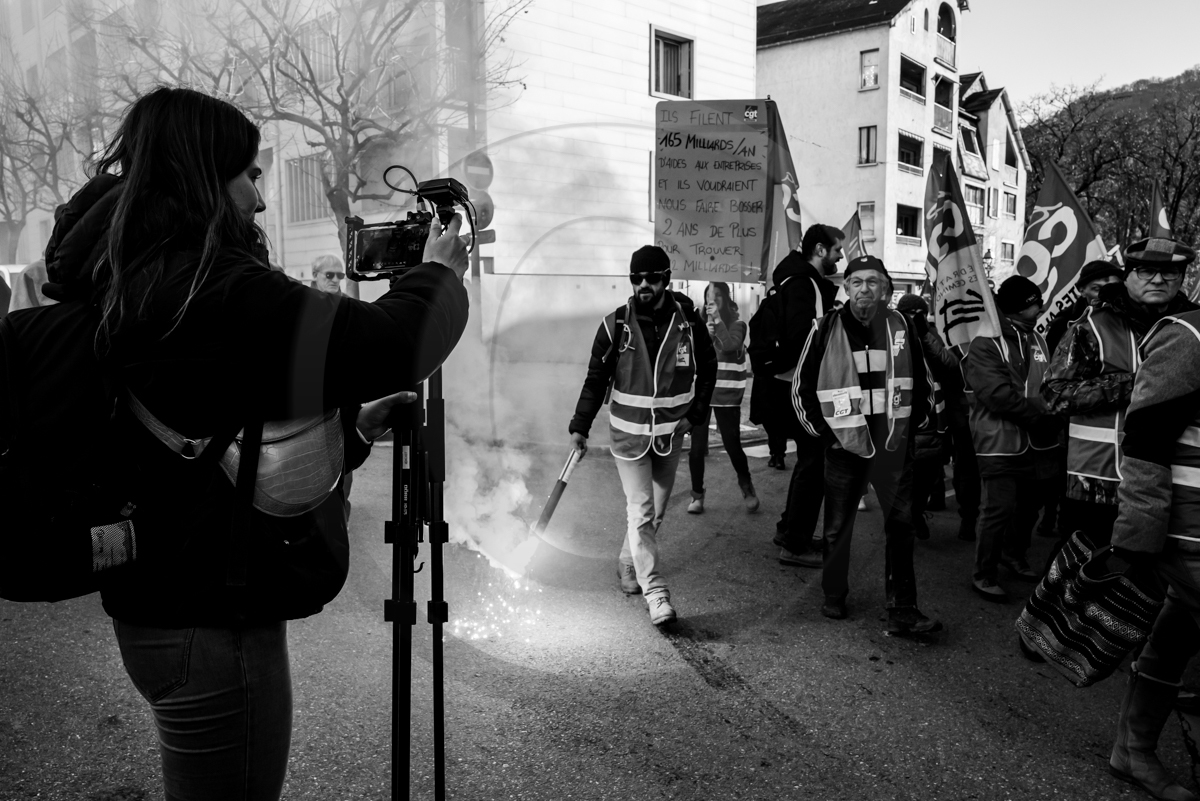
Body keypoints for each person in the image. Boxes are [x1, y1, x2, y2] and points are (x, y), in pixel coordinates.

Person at [45, 87, 470, 801]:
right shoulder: (208, 287)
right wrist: (438, 273)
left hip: (166, 605)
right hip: (207, 624)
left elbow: (216, 440)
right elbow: (392, 342)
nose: (262, 200)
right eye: (249, 175)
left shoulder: (143, 277)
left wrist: (353, 430)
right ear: (202, 179)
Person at [792, 255, 941, 634]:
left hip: (893, 447)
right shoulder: (825, 327)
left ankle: (903, 607)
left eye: (873, 282)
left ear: (886, 290)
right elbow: (802, 387)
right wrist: (825, 435)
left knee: (902, 526)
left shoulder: (902, 326)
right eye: (856, 282)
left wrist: (919, 422)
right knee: (837, 528)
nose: (864, 289)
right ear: (846, 288)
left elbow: (922, 381)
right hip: (845, 448)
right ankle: (833, 594)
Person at [568, 245, 716, 626]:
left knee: (654, 514)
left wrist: (697, 414)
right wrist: (579, 427)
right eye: (636, 278)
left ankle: (625, 561)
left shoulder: (688, 320)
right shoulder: (614, 325)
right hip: (629, 438)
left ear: (666, 277)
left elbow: (709, 366)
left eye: (651, 278)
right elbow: (594, 379)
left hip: (670, 435)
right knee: (642, 510)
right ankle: (656, 592)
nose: (643, 285)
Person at [1102, 283, 1200, 801]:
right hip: (1190, 534)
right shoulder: (1189, 336)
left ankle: (1133, 751)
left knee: (1176, 635)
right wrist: (1137, 542)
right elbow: (1143, 441)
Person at [1042, 242, 1197, 550]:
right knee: (1081, 577)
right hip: (1098, 484)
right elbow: (1054, 395)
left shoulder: (1194, 327)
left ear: (1182, 278)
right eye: (1146, 271)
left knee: (1155, 584)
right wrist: (1138, 383)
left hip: (1174, 484)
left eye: (1170, 272)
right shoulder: (1092, 325)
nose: (1158, 279)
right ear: (1128, 276)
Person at [748, 224, 841, 568]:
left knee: (810, 460)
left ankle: (790, 530)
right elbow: (804, 341)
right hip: (794, 389)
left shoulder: (799, 281)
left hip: (784, 386)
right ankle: (794, 543)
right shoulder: (804, 285)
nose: (840, 257)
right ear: (819, 250)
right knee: (814, 462)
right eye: (836, 251)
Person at [963, 276, 1061, 602]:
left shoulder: (1038, 338)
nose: (1041, 306)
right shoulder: (986, 341)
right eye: (1035, 301)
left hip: (1037, 445)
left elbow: (1048, 385)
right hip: (1000, 443)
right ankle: (983, 572)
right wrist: (1040, 418)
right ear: (1020, 306)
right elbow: (996, 395)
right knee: (998, 510)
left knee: (1028, 509)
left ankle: (1013, 554)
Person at [688, 281, 757, 514]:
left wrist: (717, 322)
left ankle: (746, 485)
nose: (713, 299)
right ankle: (697, 495)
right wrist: (701, 337)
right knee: (696, 448)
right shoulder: (698, 324)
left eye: (718, 295)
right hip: (702, 394)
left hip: (727, 395)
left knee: (732, 444)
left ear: (726, 300)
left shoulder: (738, 324)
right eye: (709, 295)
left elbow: (730, 346)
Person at [895, 294, 947, 540]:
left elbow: (949, 365)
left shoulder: (931, 334)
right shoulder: (891, 333)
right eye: (914, 314)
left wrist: (925, 334)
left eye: (922, 313)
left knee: (927, 471)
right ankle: (904, 518)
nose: (919, 318)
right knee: (904, 474)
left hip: (930, 414)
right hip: (900, 414)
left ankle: (916, 512)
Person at [1045, 260, 1124, 354]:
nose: (1107, 293)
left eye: (1114, 288)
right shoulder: (1062, 326)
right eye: (1097, 289)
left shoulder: (1134, 316)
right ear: (1082, 291)